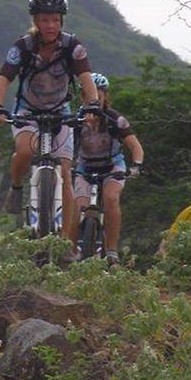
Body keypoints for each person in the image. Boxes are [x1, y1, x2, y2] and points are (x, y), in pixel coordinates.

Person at [0, 0, 100, 251]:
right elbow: (3, 78)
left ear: (61, 21)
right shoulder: (23, 46)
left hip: (60, 111)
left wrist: (92, 105)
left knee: (65, 173)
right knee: (25, 151)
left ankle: (68, 244)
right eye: (44, 20)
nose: (50, 26)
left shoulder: (73, 46)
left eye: (55, 20)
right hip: (28, 110)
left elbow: (86, 78)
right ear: (35, 22)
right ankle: (17, 188)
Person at [70, 72, 144, 265]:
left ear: (104, 96)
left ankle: (111, 250)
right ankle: (68, 251)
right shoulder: (75, 120)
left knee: (111, 199)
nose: (93, 98)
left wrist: (136, 166)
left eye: (97, 94)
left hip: (112, 167)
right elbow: (64, 145)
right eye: (87, 94)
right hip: (85, 167)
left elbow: (135, 147)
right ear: (82, 97)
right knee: (77, 207)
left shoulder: (115, 119)